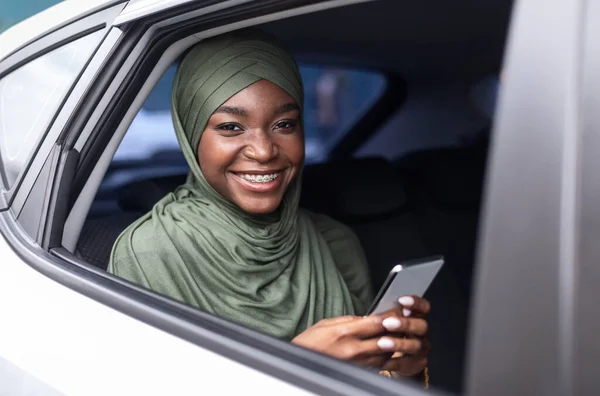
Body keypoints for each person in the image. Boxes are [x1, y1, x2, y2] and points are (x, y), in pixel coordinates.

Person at [108, 30, 430, 381]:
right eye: (231, 127)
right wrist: (296, 364)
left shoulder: (335, 241)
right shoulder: (149, 254)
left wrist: (403, 371)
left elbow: (367, 381)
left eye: (284, 124)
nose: (263, 151)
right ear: (190, 133)